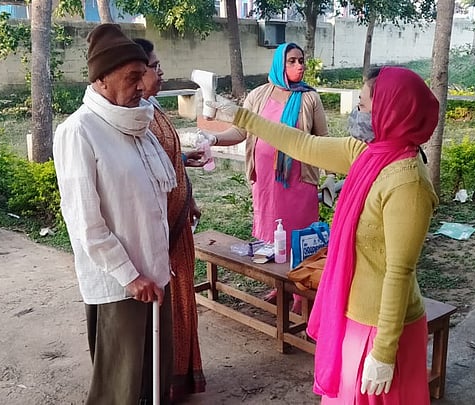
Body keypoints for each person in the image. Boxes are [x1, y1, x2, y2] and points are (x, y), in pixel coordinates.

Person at [208, 66, 440, 403]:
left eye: (362, 105)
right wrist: (242, 116)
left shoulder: (407, 183)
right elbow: (302, 143)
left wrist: (385, 352)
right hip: (352, 312)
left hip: (383, 327)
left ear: (389, 110)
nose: (356, 112)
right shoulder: (368, 154)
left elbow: (399, 271)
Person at [53, 24, 174, 404]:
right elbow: (84, 221)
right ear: (102, 80)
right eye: (133, 77)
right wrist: (130, 275)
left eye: (144, 75)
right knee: (118, 389)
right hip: (121, 283)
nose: (143, 86)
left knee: (153, 379)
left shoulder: (138, 125)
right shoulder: (79, 131)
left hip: (154, 274)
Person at [200, 42, 329, 312]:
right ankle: (278, 284)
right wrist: (213, 138)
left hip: (298, 183)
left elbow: (322, 141)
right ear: (279, 64)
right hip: (266, 184)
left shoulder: (309, 98)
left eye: (301, 61)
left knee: (298, 238)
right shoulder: (258, 96)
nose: (299, 66)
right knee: (271, 236)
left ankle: (300, 295)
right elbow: (240, 132)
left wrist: (329, 176)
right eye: (292, 61)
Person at [133, 37, 207, 402]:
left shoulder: (153, 110)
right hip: (161, 236)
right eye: (154, 66)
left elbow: (168, 163)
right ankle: (168, 382)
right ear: (135, 73)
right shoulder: (133, 121)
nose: (161, 71)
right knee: (169, 308)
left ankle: (183, 376)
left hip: (179, 230)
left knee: (183, 304)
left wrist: (186, 180)